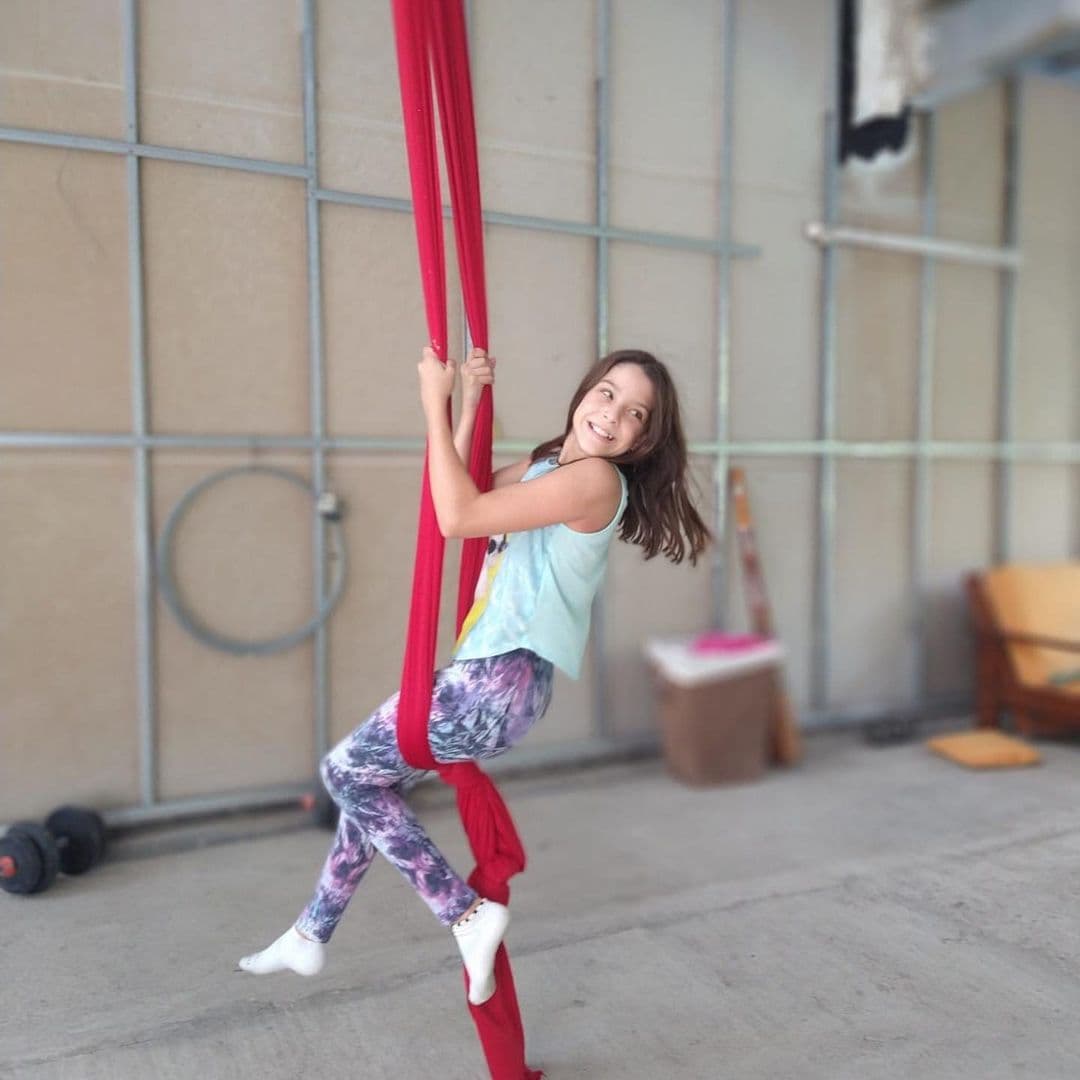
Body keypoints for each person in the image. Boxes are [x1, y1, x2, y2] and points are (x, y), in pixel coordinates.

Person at [239, 345, 711, 1005]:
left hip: (499, 683)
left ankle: (464, 913)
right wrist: (459, 406)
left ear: (643, 438)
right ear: (585, 392)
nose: (612, 416)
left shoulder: (595, 481)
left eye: (635, 413)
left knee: (345, 774)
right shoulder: (555, 462)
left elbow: (459, 515)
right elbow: (460, 495)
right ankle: (311, 933)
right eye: (607, 393)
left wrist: (433, 402)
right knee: (367, 788)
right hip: (489, 679)